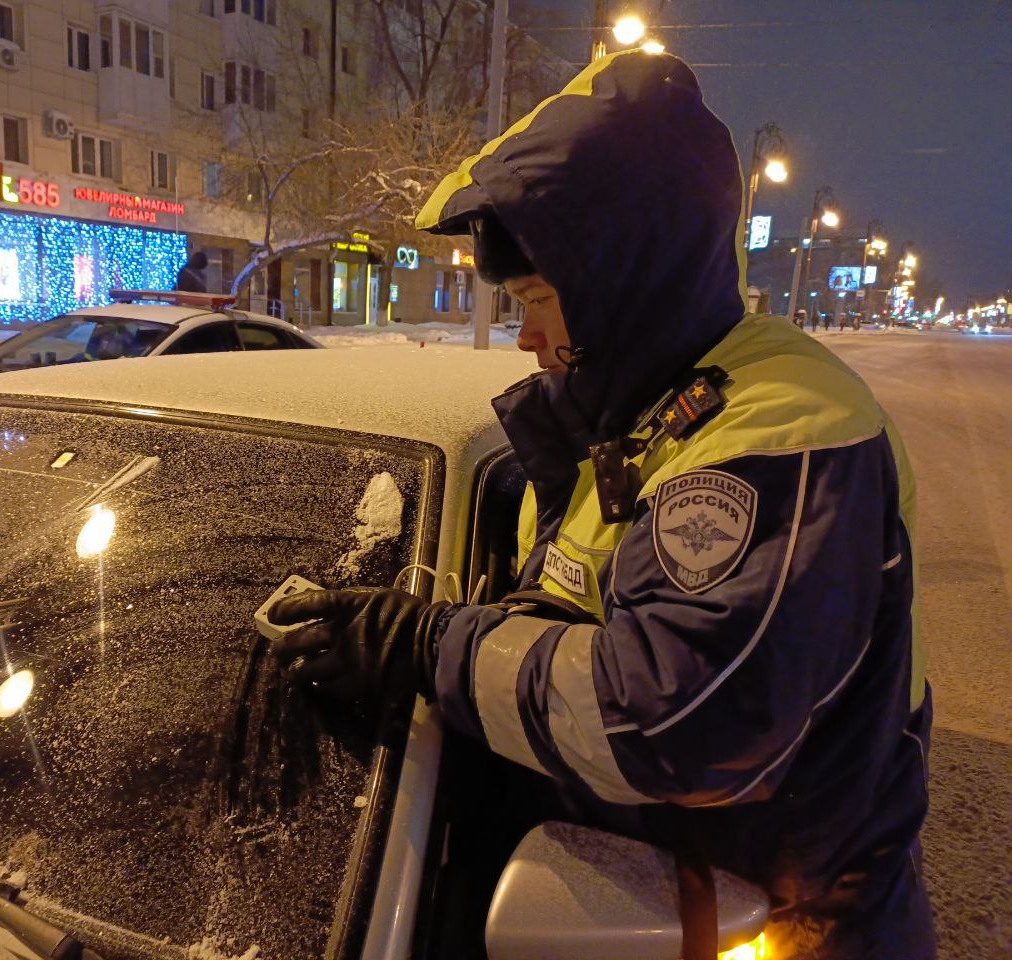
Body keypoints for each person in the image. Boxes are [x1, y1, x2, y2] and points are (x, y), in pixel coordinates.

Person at [271, 50, 934, 959]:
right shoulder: (629, 421)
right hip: (658, 888)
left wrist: (426, 645)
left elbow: (670, 720)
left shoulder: (779, 433)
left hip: (783, 924)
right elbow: (561, 619)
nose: (528, 335)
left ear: (627, 281)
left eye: (540, 299)